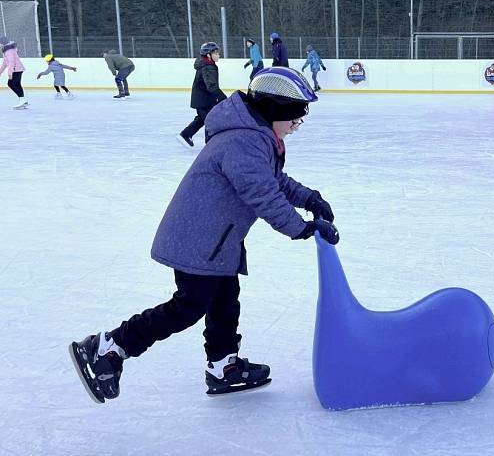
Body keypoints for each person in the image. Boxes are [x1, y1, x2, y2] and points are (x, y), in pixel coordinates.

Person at [69, 66, 340, 403]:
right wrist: (301, 227)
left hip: (217, 241)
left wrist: (309, 198)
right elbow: (263, 194)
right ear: (274, 111)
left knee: (225, 300)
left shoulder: (253, 136)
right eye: (294, 120)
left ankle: (223, 366)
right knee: (189, 306)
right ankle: (109, 347)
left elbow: (273, 181)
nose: (296, 127)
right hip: (198, 240)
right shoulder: (244, 140)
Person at [178, 42, 228, 148]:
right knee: (211, 121)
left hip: (202, 99)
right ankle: (210, 145)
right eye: (215, 53)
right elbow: (211, 85)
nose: (218, 55)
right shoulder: (208, 67)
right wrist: (222, 97)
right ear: (208, 55)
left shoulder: (206, 65)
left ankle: (186, 134)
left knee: (202, 119)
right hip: (204, 100)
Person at [0, 36, 28, 109]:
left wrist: (10, 73)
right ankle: (23, 100)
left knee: (11, 84)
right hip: (18, 69)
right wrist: (0, 72)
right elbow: (6, 62)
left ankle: (22, 100)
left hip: (16, 69)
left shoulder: (9, 51)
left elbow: (12, 62)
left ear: (2, 43)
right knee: (17, 84)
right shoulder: (8, 50)